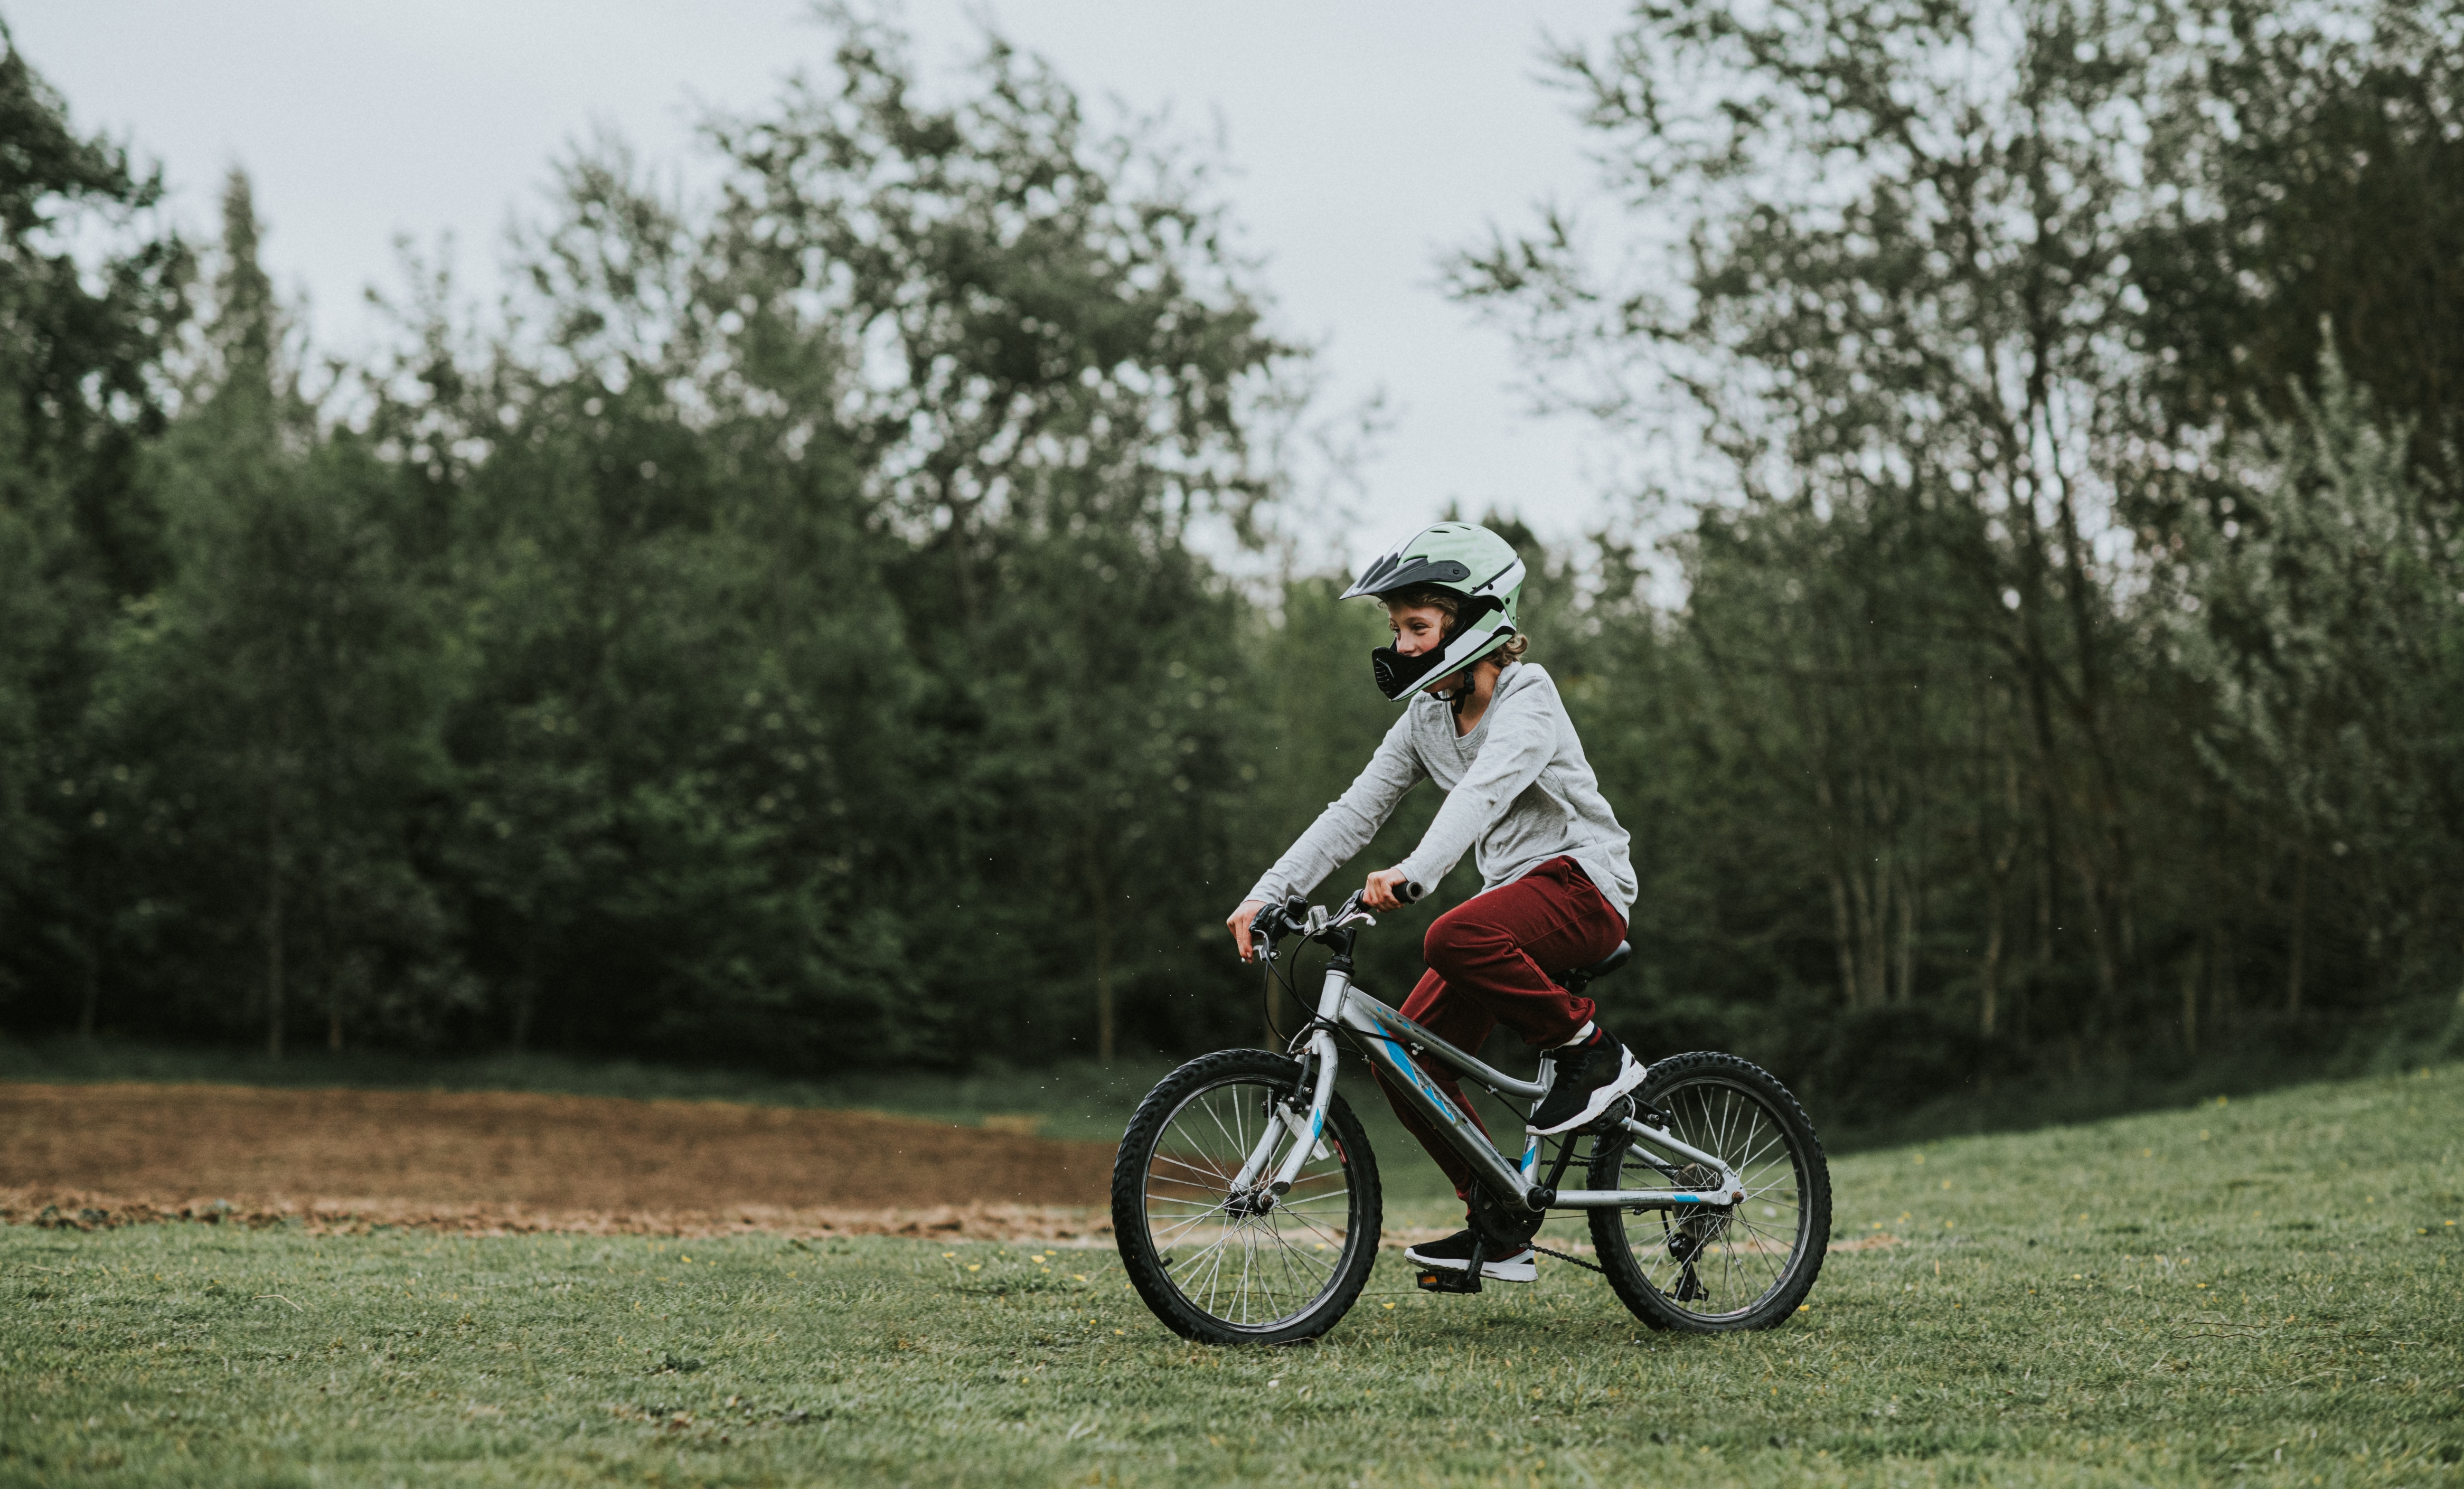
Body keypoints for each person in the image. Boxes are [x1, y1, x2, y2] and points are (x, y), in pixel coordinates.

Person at [1226, 521, 1642, 1285]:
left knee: (1452, 936)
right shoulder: (1424, 718)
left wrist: (1416, 873)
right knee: (1402, 1057)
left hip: (1583, 889)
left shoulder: (1529, 696)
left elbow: (1482, 796)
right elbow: (1353, 811)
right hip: (1513, 902)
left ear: (1477, 618)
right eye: (1397, 629)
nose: (1403, 645)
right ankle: (1501, 1224)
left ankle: (1591, 1054)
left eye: (1417, 626)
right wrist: (1268, 892)